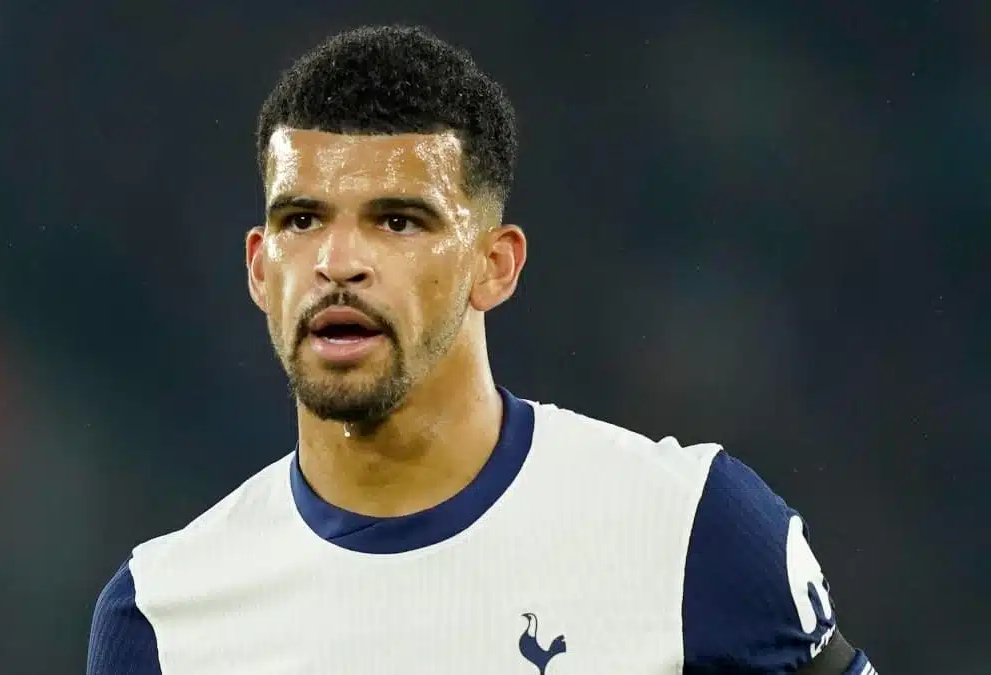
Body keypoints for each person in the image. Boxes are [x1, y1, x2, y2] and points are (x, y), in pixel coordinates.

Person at [86, 25, 876, 674]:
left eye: (398, 220)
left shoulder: (692, 531)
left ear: (494, 265)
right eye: (302, 219)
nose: (337, 261)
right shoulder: (163, 617)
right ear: (260, 268)